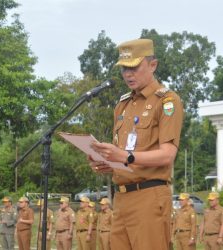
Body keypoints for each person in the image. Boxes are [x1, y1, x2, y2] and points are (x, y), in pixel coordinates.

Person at [88, 38, 184, 250]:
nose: (128, 74)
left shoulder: (167, 101)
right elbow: (123, 156)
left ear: (153, 65)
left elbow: (167, 155)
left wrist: (124, 156)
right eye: (123, 69)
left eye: (134, 67)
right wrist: (106, 162)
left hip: (149, 197)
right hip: (121, 199)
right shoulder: (122, 106)